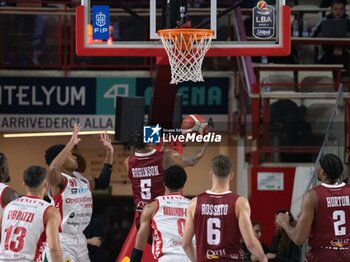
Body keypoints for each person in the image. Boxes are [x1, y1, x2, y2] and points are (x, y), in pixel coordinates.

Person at [44, 123, 114, 261]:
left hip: (80, 238)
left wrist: (110, 153)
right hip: (62, 239)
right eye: (70, 155)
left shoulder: (83, 178)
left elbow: (103, 182)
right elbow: (52, 169)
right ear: (61, 158)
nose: (75, 157)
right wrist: (71, 142)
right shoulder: (58, 181)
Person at [182, 154, 267, 262]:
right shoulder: (239, 203)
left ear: (210, 174)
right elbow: (250, 242)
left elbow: (186, 243)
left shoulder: (194, 203)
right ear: (231, 175)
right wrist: (263, 258)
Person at [276, 153, 350, 261]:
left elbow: (298, 238)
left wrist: (284, 223)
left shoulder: (312, 196)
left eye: (318, 167)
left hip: (323, 255)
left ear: (323, 172)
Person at [126, 128, 206, 214]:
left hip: (141, 213)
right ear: (148, 142)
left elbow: (146, 166)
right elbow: (193, 160)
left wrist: (161, 153)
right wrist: (205, 142)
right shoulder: (166, 157)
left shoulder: (127, 162)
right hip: (160, 212)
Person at [0, 165, 62, 262]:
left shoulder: (7, 207)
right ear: (46, 184)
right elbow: (53, 248)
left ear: (24, 184)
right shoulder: (49, 211)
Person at [130, 165, 191, 262]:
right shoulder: (193, 206)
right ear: (184, 184)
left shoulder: (152, 207)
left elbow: (139, 245)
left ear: (164, 183)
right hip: (190, 257)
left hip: (167, 258)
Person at [311, 0, 350, 68]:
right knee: (320, 65)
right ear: (331, 10)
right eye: (335, 9)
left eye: (341, 9)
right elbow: (313, 34)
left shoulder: (348, 21)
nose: (338, 12)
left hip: (345, 52)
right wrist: (321, 36)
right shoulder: (324, 20)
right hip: (327, 53)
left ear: (345, 10)